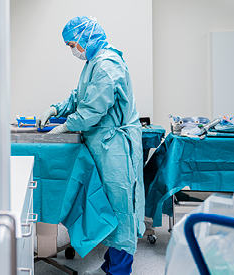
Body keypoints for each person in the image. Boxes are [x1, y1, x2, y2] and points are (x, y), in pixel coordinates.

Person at [36, 16, 144, 275]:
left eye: (73, 44)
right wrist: (55, 109)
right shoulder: (93, 64)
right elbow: (79, 96)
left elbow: (92, 110)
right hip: (103, 146)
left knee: (120, 207)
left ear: (87, 38)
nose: (73, 50)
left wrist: (65, 126)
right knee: (108, 204)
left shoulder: (107, 66)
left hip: (115, 147)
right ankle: (112, 262)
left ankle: (120, 269)